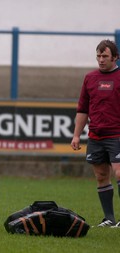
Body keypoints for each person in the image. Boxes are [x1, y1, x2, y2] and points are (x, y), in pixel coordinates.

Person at [71, 39, 120, 227]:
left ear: (115, 57)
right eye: (98, 56)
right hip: (96, 136)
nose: (101, 60)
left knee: (119, 173)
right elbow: (83, 109)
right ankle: (109, 218)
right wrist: (76, 135)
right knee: (101, 176)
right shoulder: (90, 78)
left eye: (105, 56)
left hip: (117, 134)